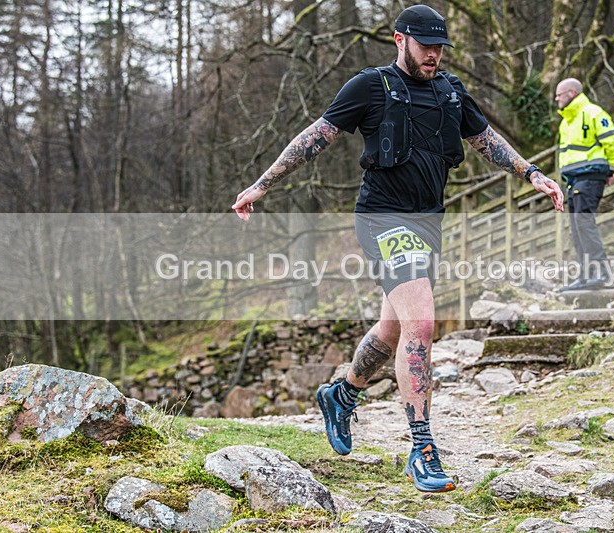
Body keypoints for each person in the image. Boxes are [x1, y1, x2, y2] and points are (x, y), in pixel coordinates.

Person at [232, 4, 563, 493]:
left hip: (428, 223)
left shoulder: (451, 91)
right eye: (426, 46)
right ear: (398, 40)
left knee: (393, 329)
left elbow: (485, 138)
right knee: (423, 323)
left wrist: (532, 173)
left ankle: (342, 394)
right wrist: (262, 184)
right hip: (382, 218)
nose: (434, 56)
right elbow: (316, 137)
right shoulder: (370, 86)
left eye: (440, 48)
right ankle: (422, 448)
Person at [554, 78, 614, 291]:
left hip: (590, 177)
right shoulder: (566, 121)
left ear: (572, 93)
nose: (556, 98)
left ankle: (601, 272)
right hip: (573, 180)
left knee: (584, 224)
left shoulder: (593, 113)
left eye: (560, 94)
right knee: (576, 228)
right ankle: (585, 276)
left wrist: (610, 169)